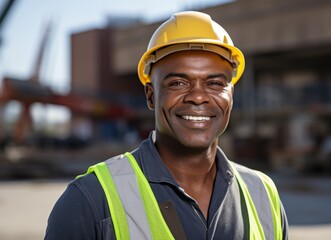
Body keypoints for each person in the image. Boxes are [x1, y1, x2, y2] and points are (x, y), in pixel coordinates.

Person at [45, 11, 288, 240]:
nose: (198, 96)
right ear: (151, 95)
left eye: (215, 83)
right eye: (178, 83)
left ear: (231, 96)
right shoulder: (90, 200)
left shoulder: (263, 194)